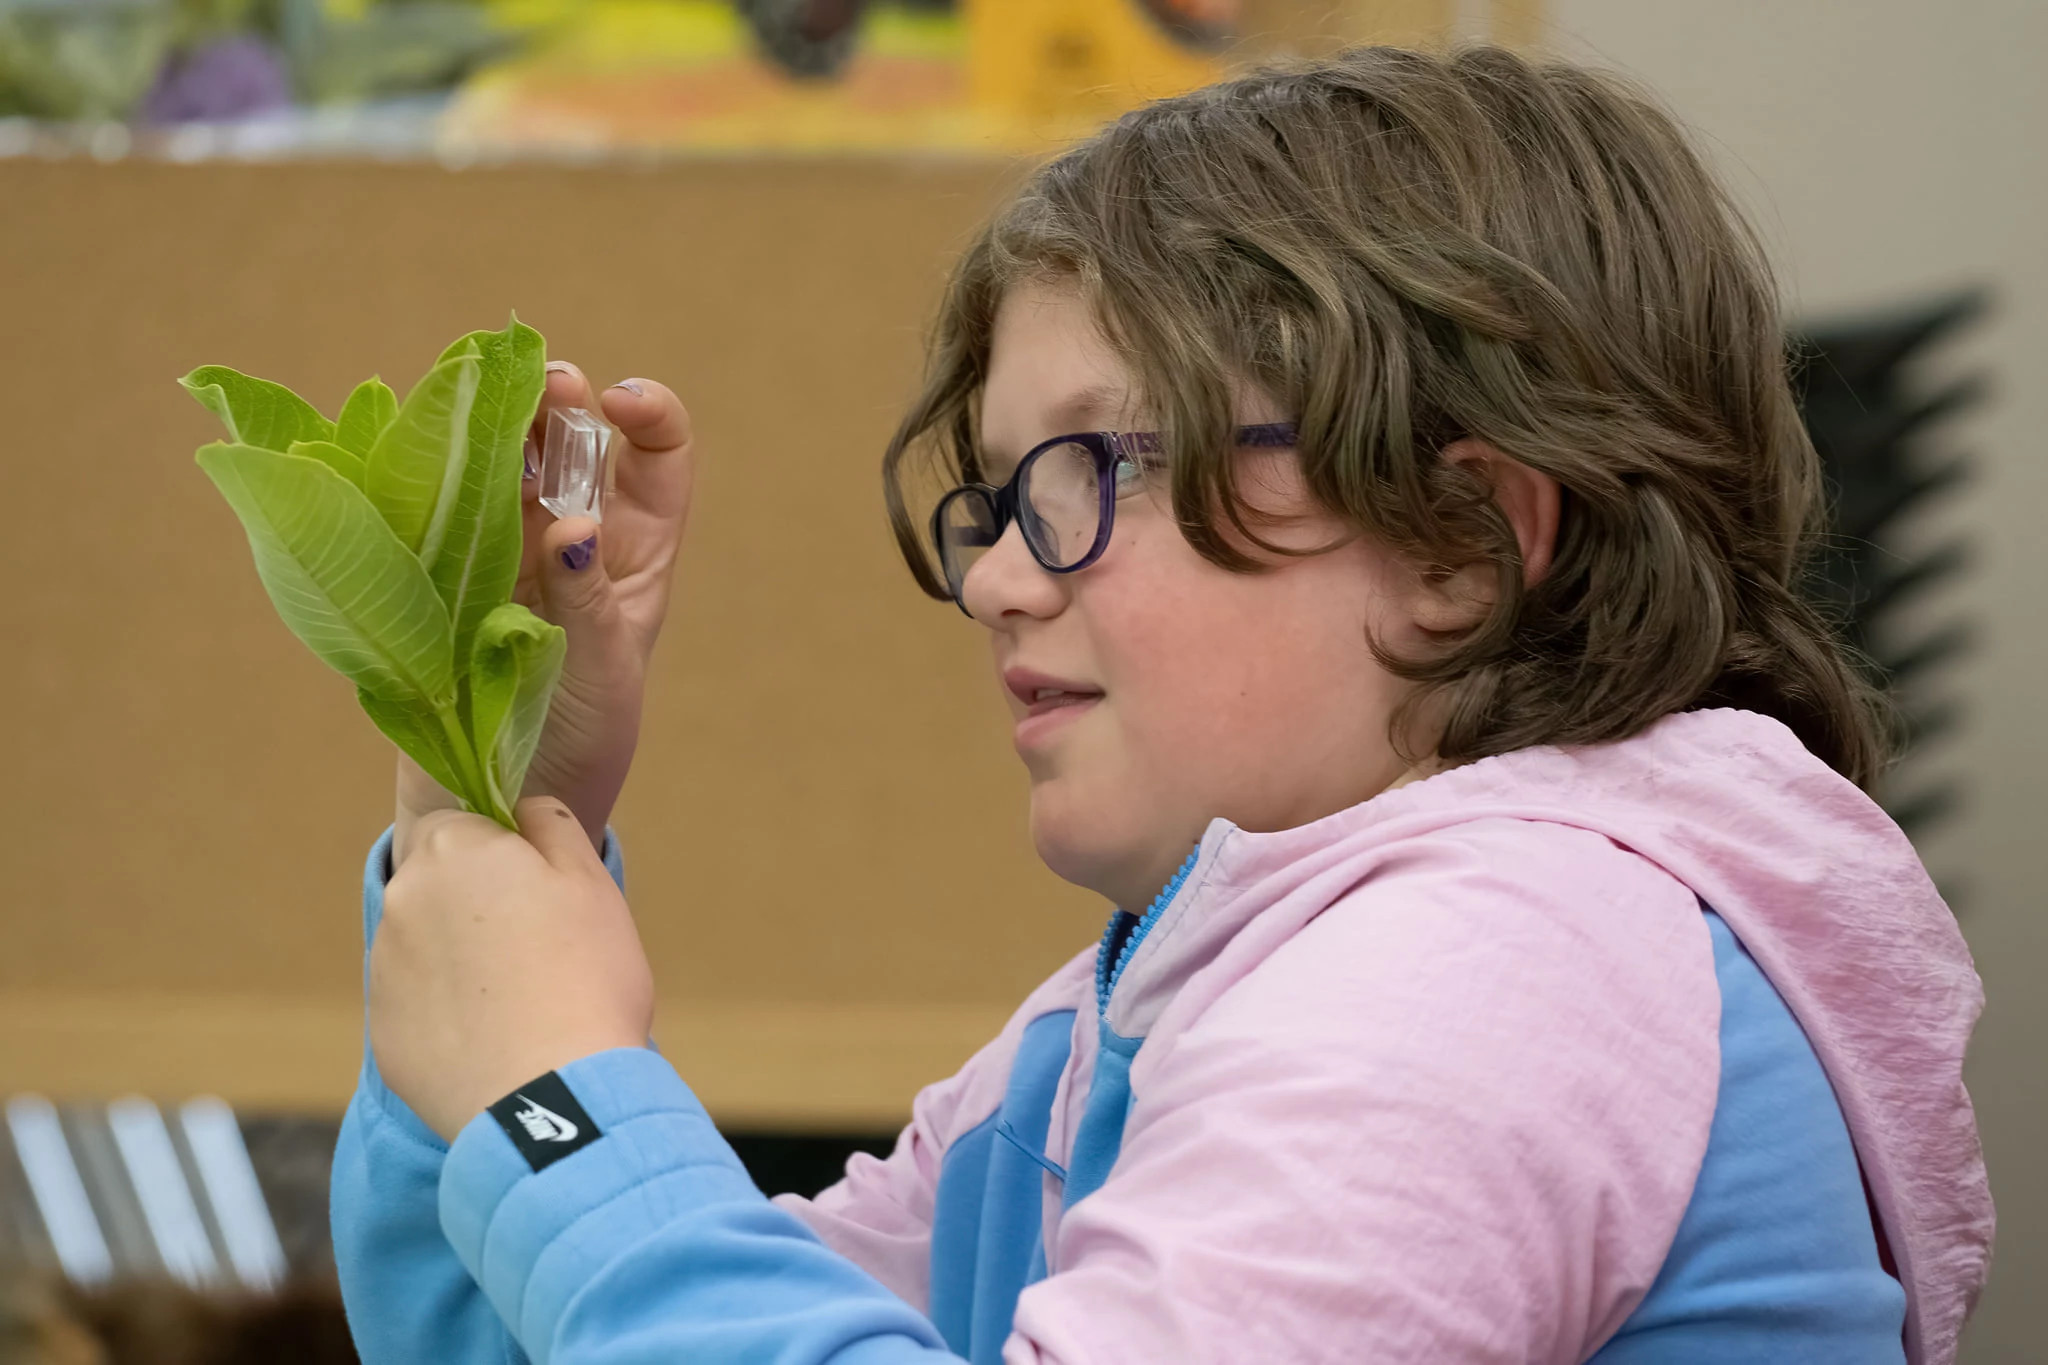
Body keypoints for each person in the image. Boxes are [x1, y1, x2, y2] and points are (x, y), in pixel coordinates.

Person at [331, 44, 1992, 1365]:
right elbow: (552, 1326)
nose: (996, 574)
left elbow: (620, 1249)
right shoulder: (1122, 1029)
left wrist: (552, 1087)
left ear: (1465, 541)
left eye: (1090, 468)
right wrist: (494, 805)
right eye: (992, 493)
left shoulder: (1518, 958)